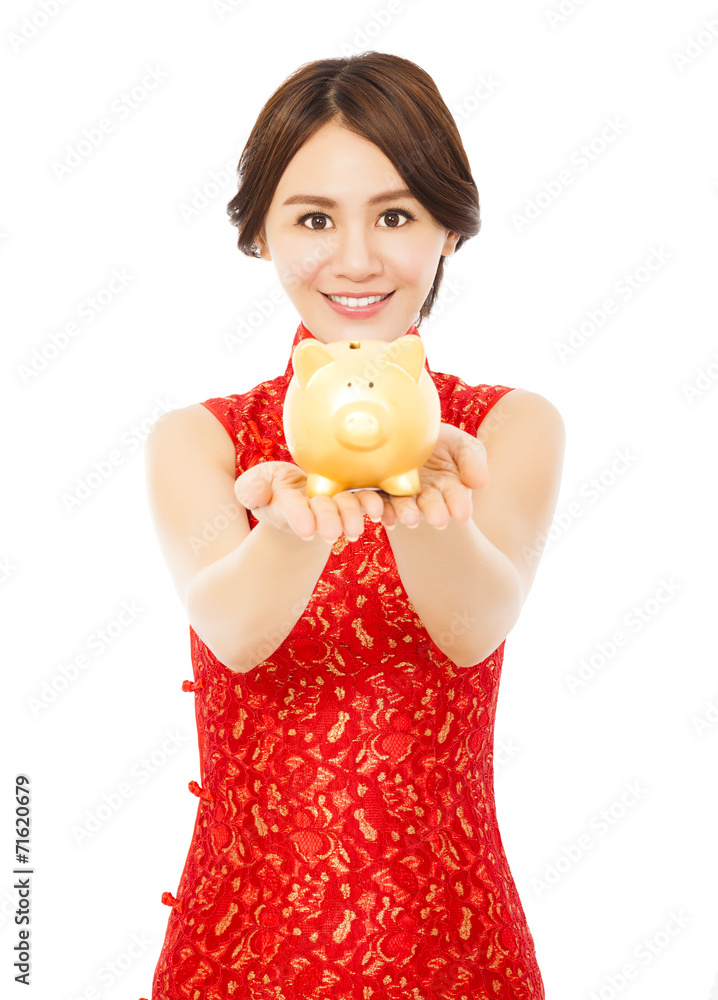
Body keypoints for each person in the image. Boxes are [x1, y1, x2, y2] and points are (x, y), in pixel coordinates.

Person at [140, 51, 564, 1000]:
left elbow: (474, 624)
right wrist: (290, 528)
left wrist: (423, 498)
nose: (357, 259)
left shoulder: (505, 428)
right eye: (315, 219)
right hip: (237, 951)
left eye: (397, 215)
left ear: (451, 228)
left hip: (454, 947)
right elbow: (236, 633)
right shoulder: (203, 442)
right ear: (259, 234)